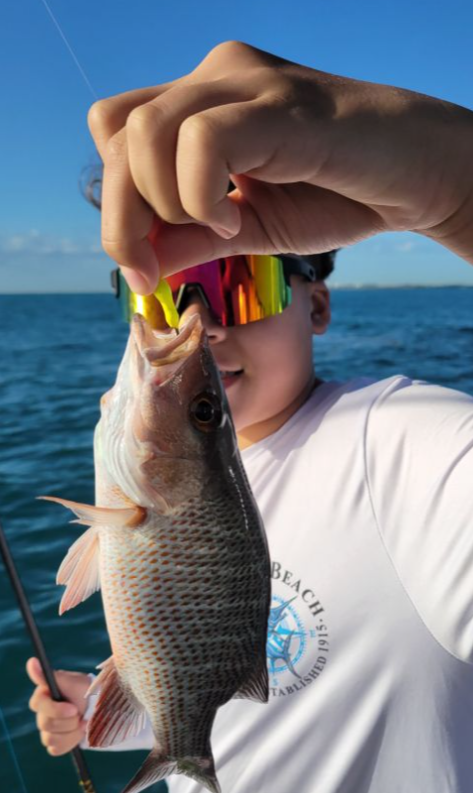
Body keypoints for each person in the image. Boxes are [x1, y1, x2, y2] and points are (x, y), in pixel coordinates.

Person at [27, 42, 473, 792]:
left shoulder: (415, 448)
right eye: (165, 295)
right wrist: (106, 711)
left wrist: (458, 187)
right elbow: (211, 696)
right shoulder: (151, 463)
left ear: (318, 303)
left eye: (237, 283)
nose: (204, 323)